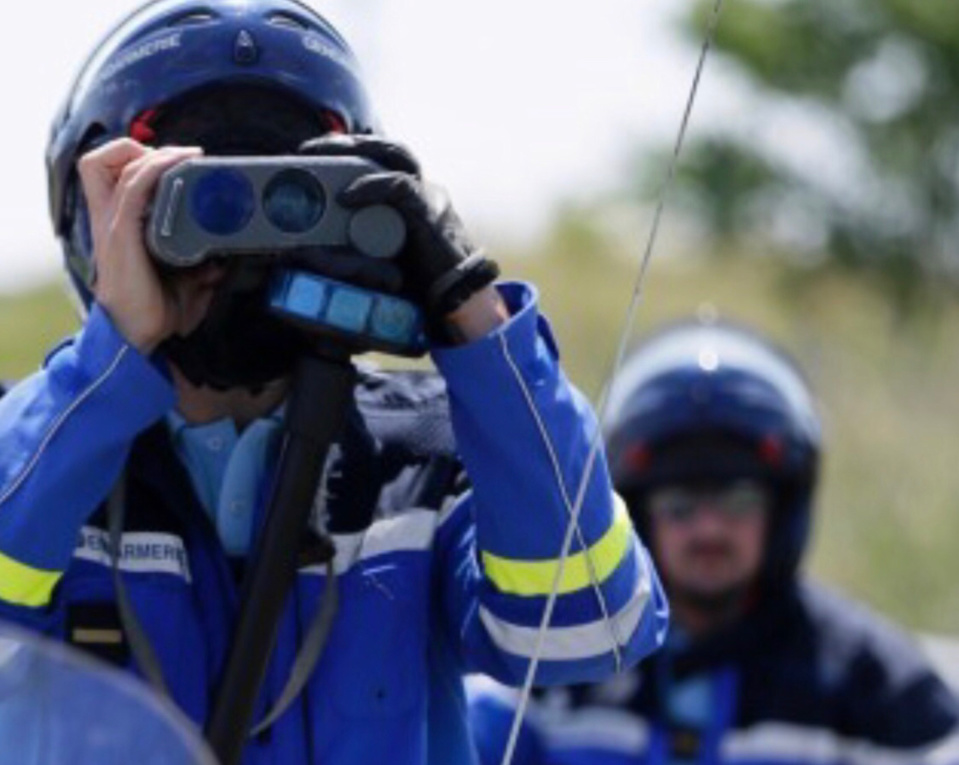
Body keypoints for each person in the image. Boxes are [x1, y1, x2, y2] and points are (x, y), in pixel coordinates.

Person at [0, 1, 668, 763]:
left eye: (286, 194)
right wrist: (110, 362)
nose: (240, 232)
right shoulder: (40, 450)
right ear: (90, 216)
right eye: (198, 196)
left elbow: (588, 627)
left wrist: (474, 319)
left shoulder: (428, 457)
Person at [470, 319, 959, 765]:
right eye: (679, 504)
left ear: (783, 508)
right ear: (634, 510)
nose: (709, 529)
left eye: (738, 499)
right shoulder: (555, 654)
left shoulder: (880, 684)